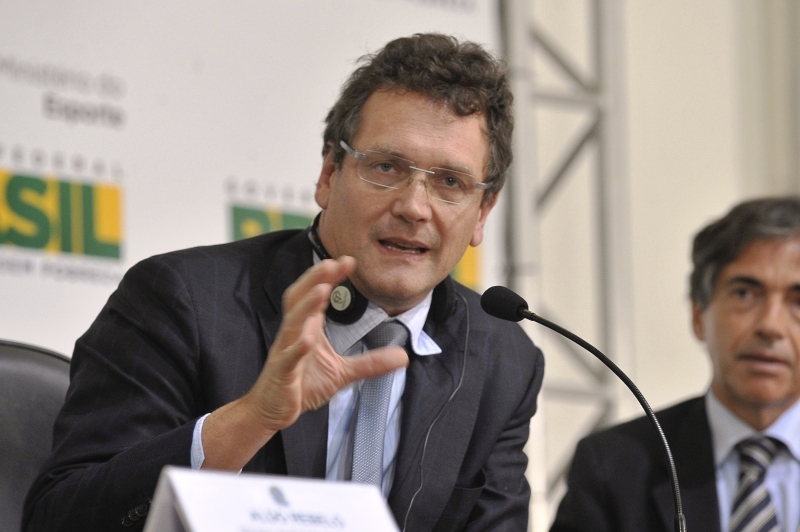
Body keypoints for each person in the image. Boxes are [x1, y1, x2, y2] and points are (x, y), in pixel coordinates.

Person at [23, 34, 544, 532]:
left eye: (450, 182)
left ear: (482, 212)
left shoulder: (504, 360)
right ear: (329, 174)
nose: (413, 207)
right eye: (387, 167)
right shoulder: (183, 301)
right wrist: (252, 418)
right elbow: (60, 520)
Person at [550, 197, 800, 532]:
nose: (771, 326)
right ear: (698, 314)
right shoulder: (614, 465)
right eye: (744, 294)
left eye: (798, 301)